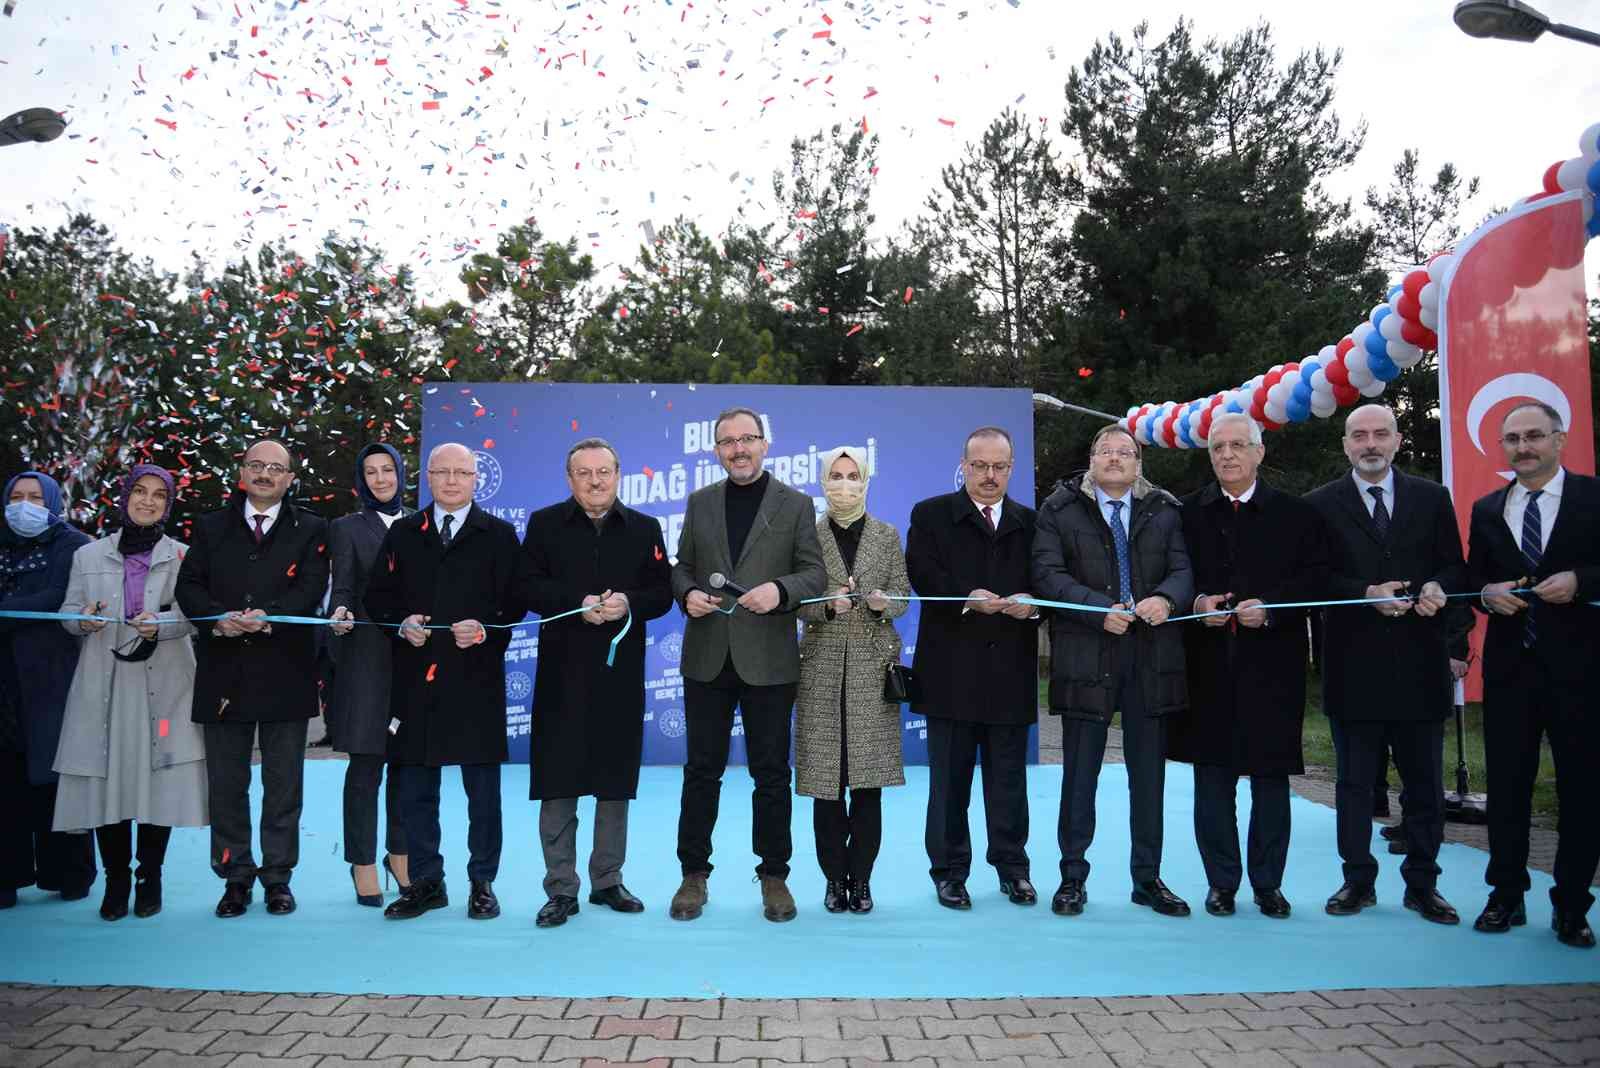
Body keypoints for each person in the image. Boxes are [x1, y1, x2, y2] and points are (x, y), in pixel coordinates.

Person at [1306, 404, 1465, 925]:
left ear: (1397, 440)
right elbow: (1314, 581)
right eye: (1359, 436)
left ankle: (1423, 885)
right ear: (1345, 444)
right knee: (1353, 785)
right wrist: (1364, 593)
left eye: (1380, 434)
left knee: (1423, 785)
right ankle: (1357, 881)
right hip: (1354, 667)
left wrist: (1441, 590)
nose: (1369, 443)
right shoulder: (1321, 505)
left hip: (1421, 665)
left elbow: (1454, 567)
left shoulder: (1433, 498)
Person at [668, 406, 826, 923]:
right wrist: (688, 593)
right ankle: (694, 875)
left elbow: (814, 575)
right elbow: (682, 567)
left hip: (769, 660)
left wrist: (779, 590)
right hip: (708, 655)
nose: (738, 448)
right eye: (727, 441)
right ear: (716, 449)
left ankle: (774, 875)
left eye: (748, 439)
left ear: (764, 444)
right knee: (701, 772)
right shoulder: (700, 502)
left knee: (772, 774)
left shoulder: (797, 504)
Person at [1171, 412, 1329, 919]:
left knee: (1270, 781)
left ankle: (1268, 885)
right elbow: (1170, 578)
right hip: (1208, 666)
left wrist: (1273, 608)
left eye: (1239, 445)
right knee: (1212, 784)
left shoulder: (1296, 515)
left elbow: (1316, 581)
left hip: (1272, 668)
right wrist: (1196, 604)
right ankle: (1221, 884)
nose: (1228, 455)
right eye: (1218, 447)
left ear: (1260, 453)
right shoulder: (1186, 514)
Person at [1031, 424, 1193, 919]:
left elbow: (1184, 571)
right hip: (1086, 654)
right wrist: (1098, 608)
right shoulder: (1058, 510)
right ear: (1092, 459)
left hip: (1151, 658)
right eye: (1107, 451)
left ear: (1139, 463)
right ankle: (1071, 878)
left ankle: (1148, 879)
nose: (1116, 459)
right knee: (1080, 775)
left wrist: (1166, 599)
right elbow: (1047, 576)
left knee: (1149, 778)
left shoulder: (1166, 510)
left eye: (1126, 452)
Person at [365, 442, 525, 922]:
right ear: (428, 478)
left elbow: (516, 602)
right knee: (413, 786)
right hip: (416, 679)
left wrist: (485, 625)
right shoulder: (404, 533)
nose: (453, 481)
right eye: (443, 472)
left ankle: (482, 882)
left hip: (476, 678)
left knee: (483, 791)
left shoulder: (498, 534)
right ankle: (426, 882)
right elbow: (378, 597)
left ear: (476, 479)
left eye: (462, 473)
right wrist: (401, 623)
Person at [520, 438, 673, 928]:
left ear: (617, 474)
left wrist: (629, 602)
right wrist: (575, 600)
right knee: (558, 782)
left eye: (603, 471)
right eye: (583, 473)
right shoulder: (544, 524)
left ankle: (607, 880)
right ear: (569, 480)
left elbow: (662, 594)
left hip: (619, 677)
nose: (594, 481)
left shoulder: (645, 529)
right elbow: (527, 587)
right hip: (561, 676)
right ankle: (561, 888)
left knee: (614, 783)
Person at [176, 439, 329, 918]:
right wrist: (216, 618)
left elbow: (311, 585)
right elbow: (189, 586)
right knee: (227, 784)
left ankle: (278, 879)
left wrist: (273, 617)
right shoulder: (210, 526)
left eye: (275, 468)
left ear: (290, 477)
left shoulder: (311, 527)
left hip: (285, 669)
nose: (265, 474)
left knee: (284, 785)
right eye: (256, 466)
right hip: (224, 672)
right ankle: (235, 877)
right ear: (242, 472)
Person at [1467, 401, 1600, 949]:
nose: (1523, 447)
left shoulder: (1594, 497)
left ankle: (1572, 906)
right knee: (1507, 789)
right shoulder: (1487, 507)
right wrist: (1485, 594)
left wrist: (1582, 580)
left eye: (1534, 436)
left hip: (1582, 673)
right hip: (1511, 672)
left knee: (1583, 792)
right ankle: (1506, 895)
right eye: (1513, 439)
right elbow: (1474, 577)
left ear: (1559, 438)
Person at [52, 465, 206, 921]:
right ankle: (116, 878)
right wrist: (84, 619)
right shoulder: (88, 555)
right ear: (124, 498)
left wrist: (164, 624)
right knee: (109, 778)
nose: (147, 502)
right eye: (140, 492)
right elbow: (66, 612)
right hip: (105, 687)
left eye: (159, 496)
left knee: (157, 777)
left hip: (164, 689)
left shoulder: (183, 556)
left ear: (168, 504)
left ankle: (149, 875)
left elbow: (193, 618)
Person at [905, 426, 1040, 911]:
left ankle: (1013, 869)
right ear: (963, 465)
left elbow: (1047, 579)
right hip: (950, 673)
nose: (988, 476)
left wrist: (1035, 605)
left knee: (1009, 781)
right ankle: (949, 872)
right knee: (949, 783)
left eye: (999, 467)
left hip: (1010, 670)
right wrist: (967, 597)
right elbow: (922, 573)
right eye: (979, 466)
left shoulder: (1031, 521)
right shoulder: (931, 514)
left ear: (1011, 469)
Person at [794, 446, 911, 915]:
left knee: (867, 786)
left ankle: (860, 881)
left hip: (870, 672)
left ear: (866, 482)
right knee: (825, 786)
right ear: (823, 482)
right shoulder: (806, 536)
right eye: (836, 476)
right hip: (820, 672)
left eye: (853, 476)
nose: (844, 484)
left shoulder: (886, 535)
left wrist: (886, 604)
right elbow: (793, 602)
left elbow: (904, 593)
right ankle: (832, 880)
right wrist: (825, 604)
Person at [0, 470, 95, 909]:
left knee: (59, 777)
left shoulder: (73, 545)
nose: (24, 505)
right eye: (16, 496)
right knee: (6, 779)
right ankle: (7, 876)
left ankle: (68, 873)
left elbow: (58, 598)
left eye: (36, 497)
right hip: (5, 681)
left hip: (54, 678)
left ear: (53, 502)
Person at [327, 443, 412, 906]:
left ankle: (400, 854)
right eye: (371, 472)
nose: (381, 479)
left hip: (414, 661)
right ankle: (361, 860)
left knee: (406, 767)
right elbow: (341, 586)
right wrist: (338, 612)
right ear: (361, 479)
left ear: (401, 474)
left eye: (387, 470)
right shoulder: (346, 528)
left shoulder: (423, 521)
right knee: (365, 767)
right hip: (366, 659)